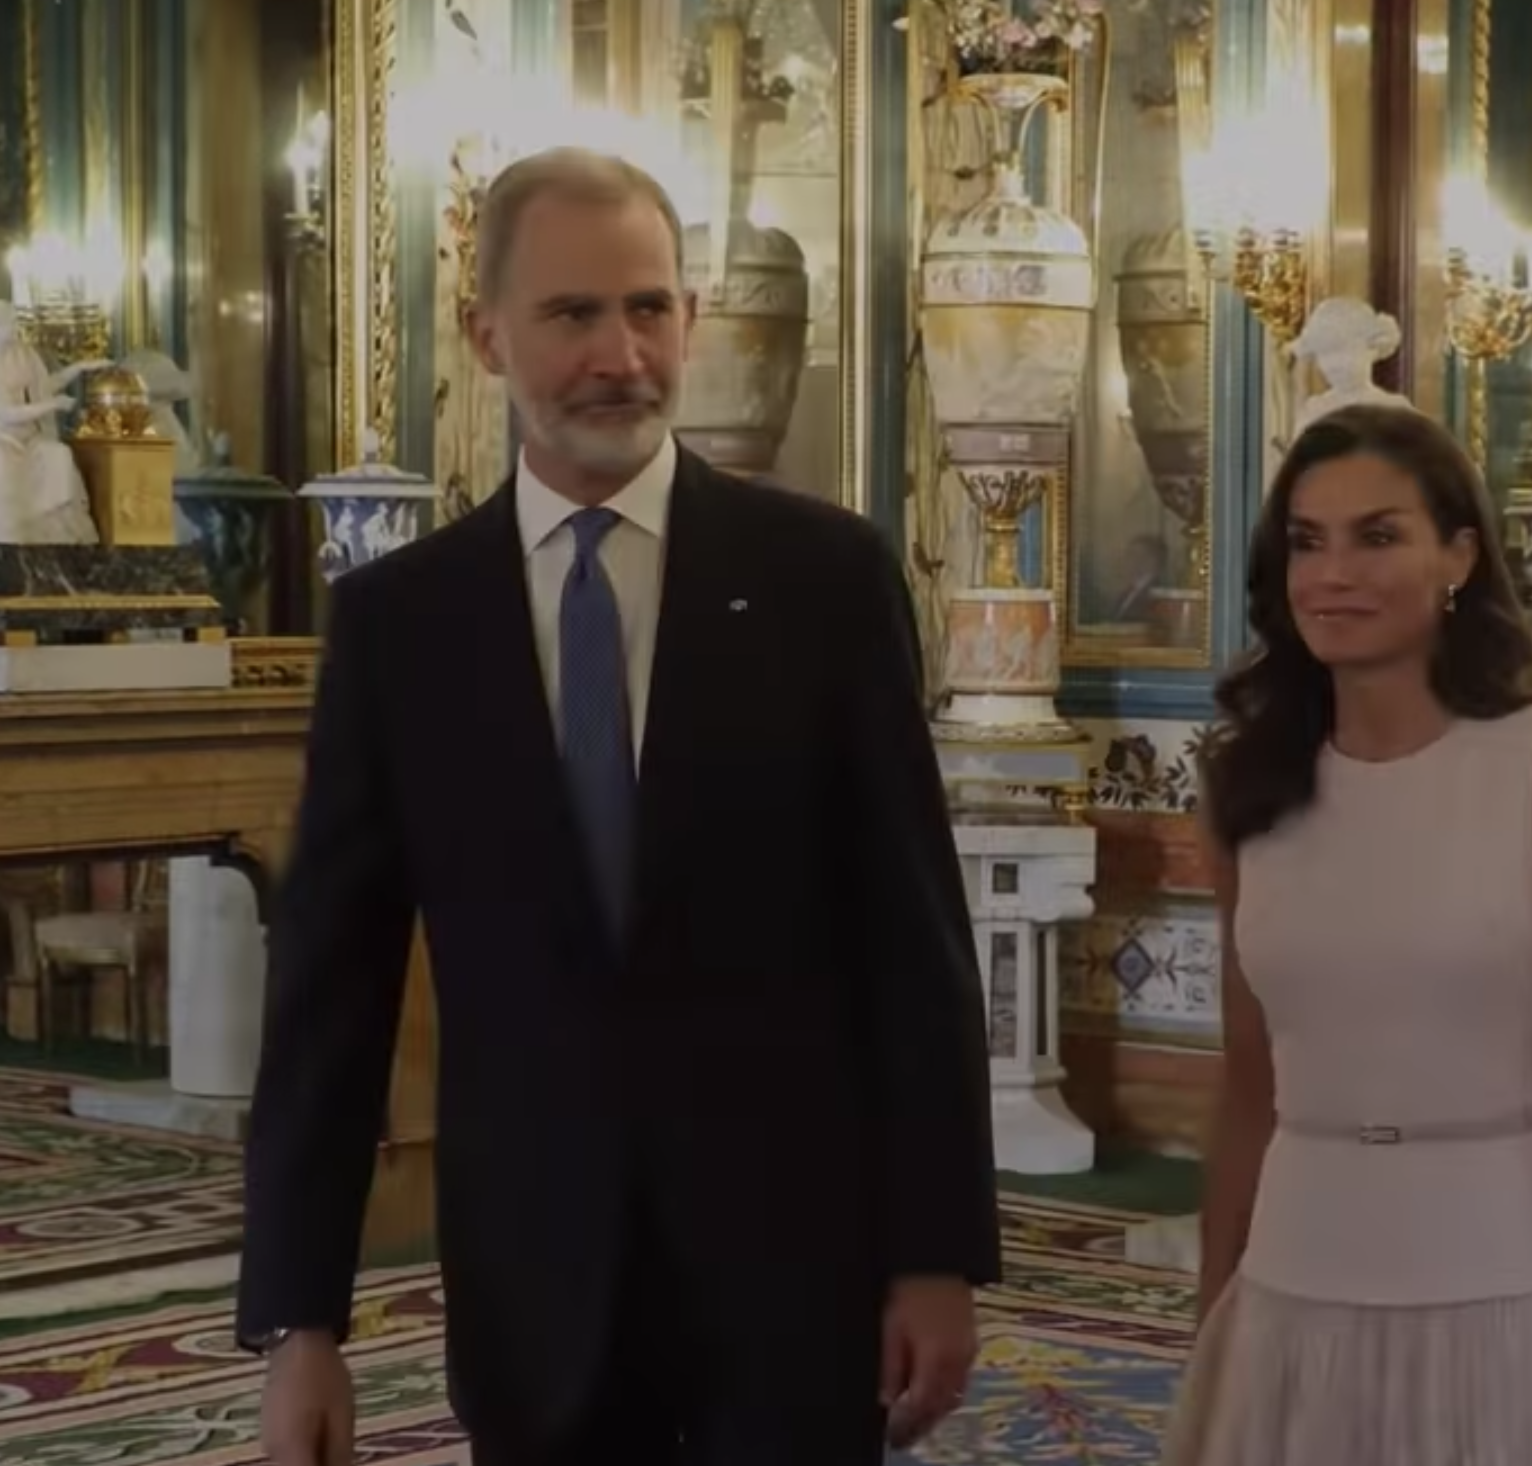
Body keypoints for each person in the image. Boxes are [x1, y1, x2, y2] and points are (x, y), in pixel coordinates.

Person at [238, 147, 1000, 1466]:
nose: (619, 352)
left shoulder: (825, 579)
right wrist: (301, 1318)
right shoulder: (401, 625)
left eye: (649, 307)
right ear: (488, 335)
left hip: (795, 1266)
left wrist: (937, 1254)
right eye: (573, 313)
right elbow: (330, 990)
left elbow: (912, 944)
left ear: (691, 320)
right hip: (536, 1279)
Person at [1164, 404, 1532, 1466]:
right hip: (1292, 1290)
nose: (1332, 571)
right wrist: (1212, 1325)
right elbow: (1248, 1084)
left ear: (1458, 557)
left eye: (1376, 534)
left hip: (1502, 1286)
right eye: (1307, 540)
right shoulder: (1245, 786)